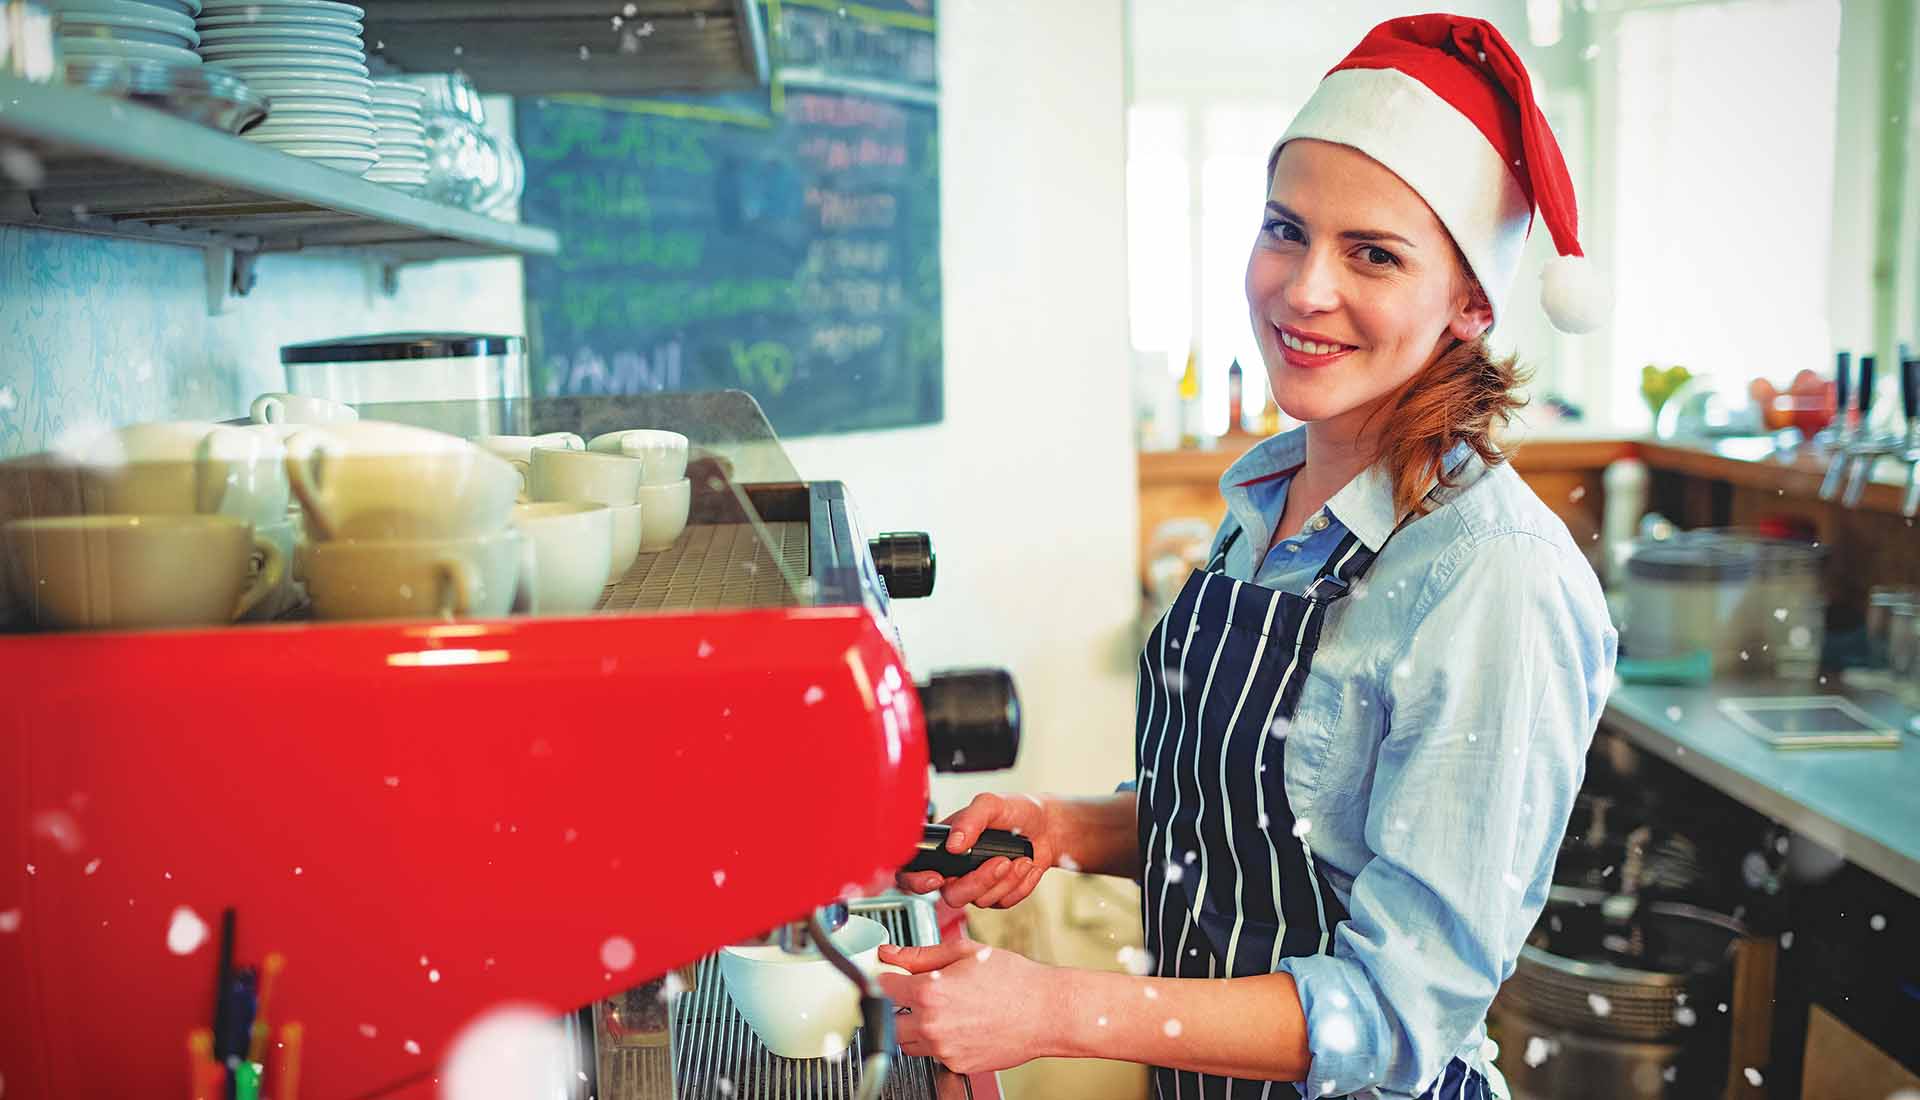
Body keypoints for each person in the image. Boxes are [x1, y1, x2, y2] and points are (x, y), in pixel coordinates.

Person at [875, 14, 1619, 1100]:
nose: (1304, 289)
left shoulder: (1492, 575)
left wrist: (1050, 1007)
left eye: (1373, 252)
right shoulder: (1263, 499)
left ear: (1469, 302)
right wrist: (1067, 826)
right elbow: (1265, 816)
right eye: (1286, 229)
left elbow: (1400, 1009)